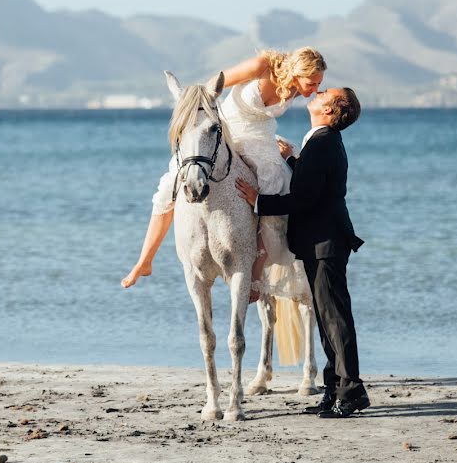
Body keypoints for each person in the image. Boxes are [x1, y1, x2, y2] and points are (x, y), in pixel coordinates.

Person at [121, 47, 326, 304]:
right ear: (299, 72)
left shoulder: (297, 88)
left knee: (276, 184)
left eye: (319, 83)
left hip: (259, 139)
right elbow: (212, 87)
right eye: (313, 81)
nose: (316, 89)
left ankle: (256, 275)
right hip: (224, 132)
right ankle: (145, 261)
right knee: (168, 185)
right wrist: (203, 123)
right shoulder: (262, 66)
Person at [235, 87, 369, 419]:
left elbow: (303, 199)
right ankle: (334, 389)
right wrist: (294, 160)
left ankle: (351, 392)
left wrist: (257, 200)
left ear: (329, 110)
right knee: (327, 319)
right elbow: (315, 185)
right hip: (323, 239)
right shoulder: (322, 140)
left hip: (325, 241)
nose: (319, 91)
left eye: (326, 93)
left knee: (335, 319)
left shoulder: (323, 142)